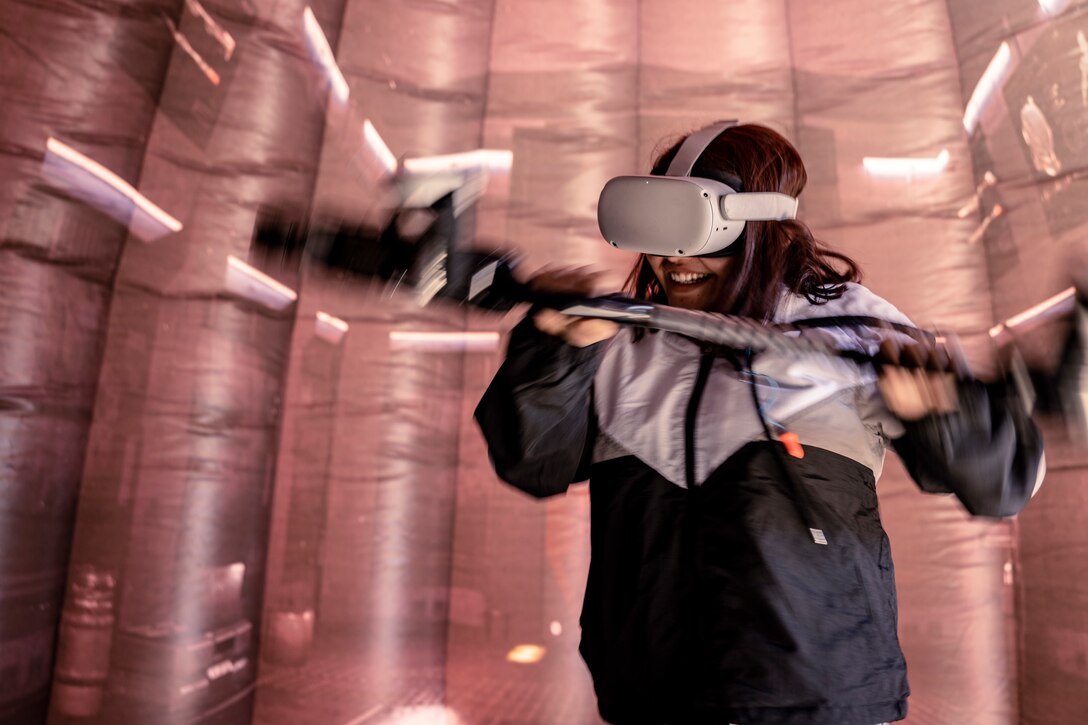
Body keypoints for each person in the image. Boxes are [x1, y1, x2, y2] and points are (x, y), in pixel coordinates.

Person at [473, 123, 1044, 725]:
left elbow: (1005, 487)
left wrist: (946, 417)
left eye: (696, 228)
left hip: (816, 701)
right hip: (650, 700)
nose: (673, 258)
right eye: (657, 228)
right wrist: (551, 353)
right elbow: (532, 464)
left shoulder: (855, 330)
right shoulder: (616, 341)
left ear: (760, 226)